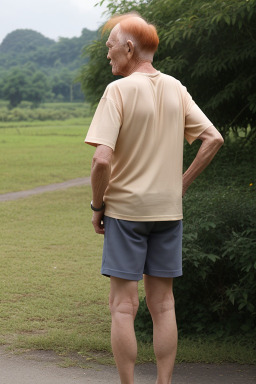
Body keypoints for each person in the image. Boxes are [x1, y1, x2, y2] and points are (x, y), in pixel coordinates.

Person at [85, 13, 224, 384]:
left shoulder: (118, 91)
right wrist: (181, 185)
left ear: (129, 48)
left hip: (126, 213)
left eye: (110, 45)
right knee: (163, 305)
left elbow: (101, 159)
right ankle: (164, 382)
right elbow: (214, 139)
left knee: (122, 307)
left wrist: (98, 206)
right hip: (168, 212)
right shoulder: (177, 88)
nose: (108, 53)